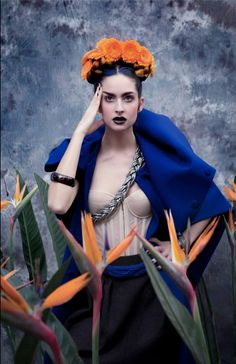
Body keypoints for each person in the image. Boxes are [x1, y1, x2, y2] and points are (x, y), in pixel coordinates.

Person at [45, 38, 230, 364]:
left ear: (140, 104)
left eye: (127, 98)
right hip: (98, 288)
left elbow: (213, 204)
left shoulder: (157, 156)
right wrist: (80, 131)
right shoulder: (85, 155)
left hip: (151, 291)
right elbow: (58, 205)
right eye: (109, 98)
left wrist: (180, 243)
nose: (118, 108)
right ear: (97, 104)